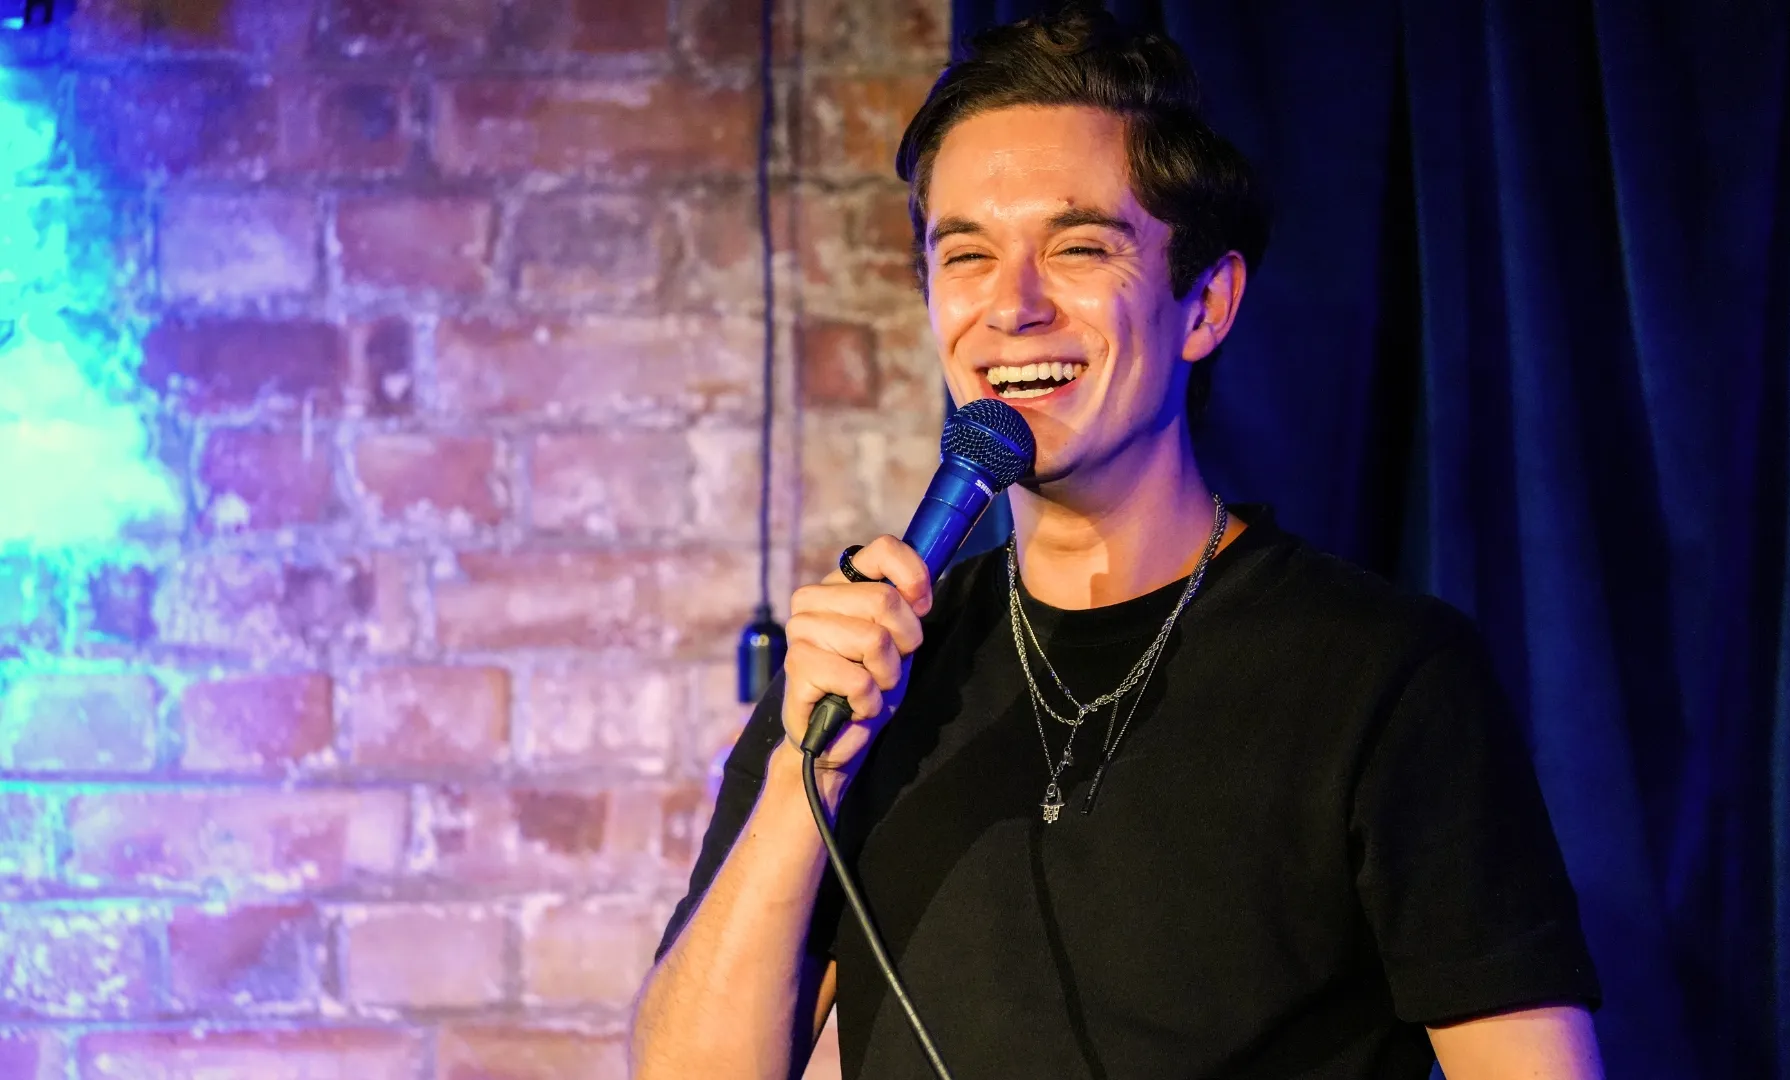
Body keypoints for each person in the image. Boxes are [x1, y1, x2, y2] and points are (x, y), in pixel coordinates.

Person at [630, 7, 1603, 1078]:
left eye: (1080, 247)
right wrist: (796, 776)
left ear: (1205, 304)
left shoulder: (1382, 673)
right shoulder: (869, 661)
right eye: (967, 256)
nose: (1014, 306)